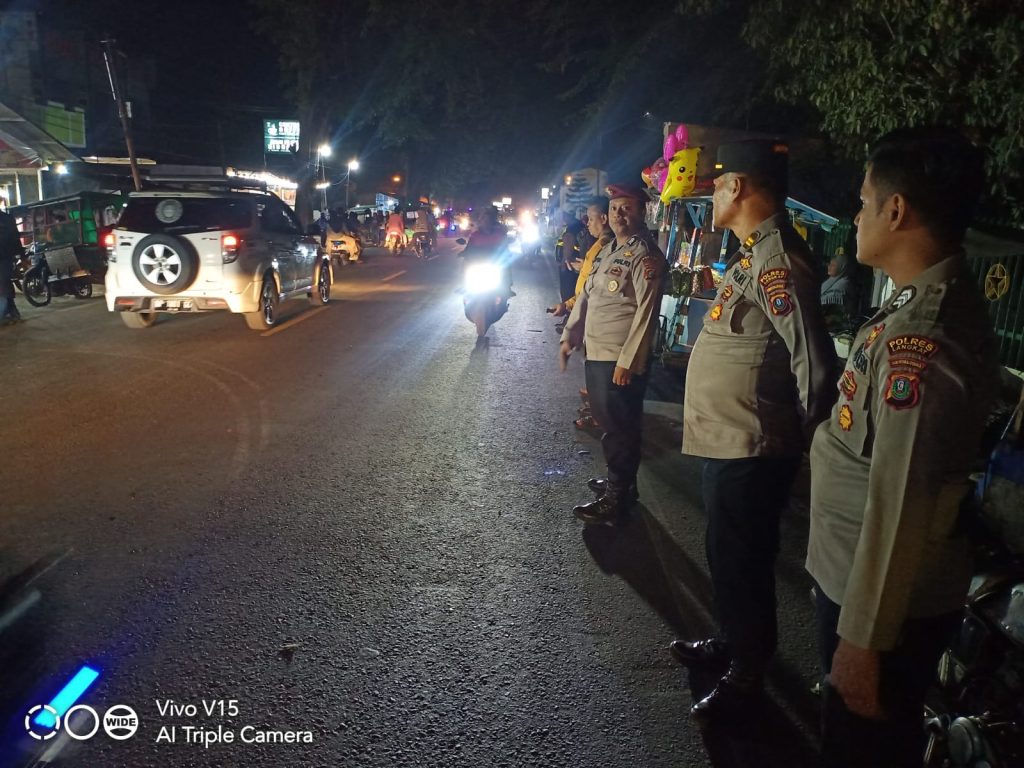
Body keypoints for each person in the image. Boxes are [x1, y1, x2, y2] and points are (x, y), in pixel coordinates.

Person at [807, 127, 1000, 768]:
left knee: (860, 750)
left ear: (897, 210)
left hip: (882, 610)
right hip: (861, 586)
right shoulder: (910, 308)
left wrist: (863, 642)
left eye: (864, 201)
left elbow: (902, 499)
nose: (855, 215)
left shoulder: (925, 332)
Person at [672, 139, 837, 722]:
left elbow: (813, 363)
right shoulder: (751, 254)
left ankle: (748, 672)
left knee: (742, 558)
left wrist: (812, 447)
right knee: (725, 552)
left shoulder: (778, 260)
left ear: (739, 186)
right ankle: (731, 640)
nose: (711, 192)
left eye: (717, 183)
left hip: (754, 444)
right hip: (730, 438)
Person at [558, 184, 666, 525]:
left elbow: (647, 312)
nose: (619, 214)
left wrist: (629, 361)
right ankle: (621, 483)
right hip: (598, 352)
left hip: (619, 358)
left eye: (627, 208)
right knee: (610, 423)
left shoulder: (645, 255)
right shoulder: (608, 251)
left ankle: (618, 497)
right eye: (616, 208)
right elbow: (588, 297)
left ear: (642, 212)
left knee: (620, 428)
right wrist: (570, 335)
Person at [549, 197, 615, 428]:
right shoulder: (599, 246)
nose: (586, 222)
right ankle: (595, 409)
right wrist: (567, 305)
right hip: (586, 312)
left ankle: (598, 415)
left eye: (591, 217)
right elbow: (589, 281)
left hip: (597, 317)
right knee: (591, 363)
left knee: (597, 367)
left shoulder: (608, 248)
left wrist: (569, 305)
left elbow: (593, 287)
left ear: (604, 219)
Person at [0, 208, 25, 324]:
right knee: (4, 284)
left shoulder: (6, 219)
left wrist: (21, 254)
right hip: (6, 257)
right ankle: (13, 313)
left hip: (5, 257)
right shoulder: (7, 219)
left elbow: (15, 237)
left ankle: (4, 314)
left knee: (3, 284)